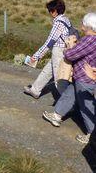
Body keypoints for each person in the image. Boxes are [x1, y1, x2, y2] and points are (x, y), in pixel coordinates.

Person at [41, 12, 96, 144]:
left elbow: (71, 55)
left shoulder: (89, 40)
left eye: (83, 22)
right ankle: (57, 115)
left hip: (85, 79)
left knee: (86, 106)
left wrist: (68, 48)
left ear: (88, 26)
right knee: (69, 94)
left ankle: (93, 135)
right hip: (82, 77)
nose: (81, 24)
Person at [24, 0, 72, 99]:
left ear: (54, 11)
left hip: (59, 52)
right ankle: (35, 90)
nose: (49, 13)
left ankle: (68, 103)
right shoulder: (66, 20)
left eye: (50, 11)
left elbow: (49, 43)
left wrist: (36, 56)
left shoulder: (58, 23)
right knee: (47, 71)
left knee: (59, 79)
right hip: (63, 50)